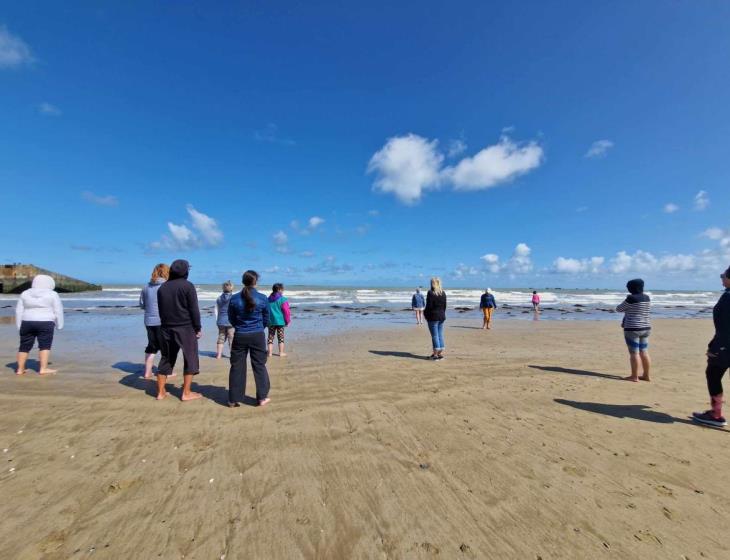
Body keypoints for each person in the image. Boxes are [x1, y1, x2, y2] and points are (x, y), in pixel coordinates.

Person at [155, 259, 202, 401]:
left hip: (166, 327)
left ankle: (160, 392)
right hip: (185, 327)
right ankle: (186, 393)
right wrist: (197, 327)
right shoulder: (188, 286)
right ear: (185, 272)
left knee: (166, 359)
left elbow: (161, 309)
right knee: (190, 358)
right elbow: (194, 309)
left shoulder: (162, 288)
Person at [692, 266, 730, 427]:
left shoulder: (728, 298)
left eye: (723, 275)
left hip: (725, 346)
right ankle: (715, 412)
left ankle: (716, 414)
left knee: (713, 374)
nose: (721, 278)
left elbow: (725, 326)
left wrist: (716, 347)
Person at [227, 270, 271, 407]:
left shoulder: (234, 298)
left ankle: (234, 399)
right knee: (259, 365)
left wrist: (240, 327)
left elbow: (231, 318)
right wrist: (259, 328)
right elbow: (266, 318)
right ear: (255, 281)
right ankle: (262, 397)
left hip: (240, 334)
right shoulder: (262, 298)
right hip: (257, 335)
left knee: (237, 366)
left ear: (243, 281)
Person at [15, 274, 64, 375]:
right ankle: (43, 369)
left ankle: (20, 369)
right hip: (46, 322)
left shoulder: (25, 293)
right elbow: (58, 310)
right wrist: (59, 324)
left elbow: (19, 310)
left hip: (27, 321)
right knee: (44, 345)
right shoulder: (52, 294)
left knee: (24, 346)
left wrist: (19, 325)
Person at [616, 278, 651, 382]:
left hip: (633, 329)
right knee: (644, 352)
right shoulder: (647, 297)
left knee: (634, 353)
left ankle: (634, 376)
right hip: (646, 327)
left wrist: (627, 299)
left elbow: (619, 309)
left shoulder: (631, 298)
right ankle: (646, 375)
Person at [139, 263, 169, 379]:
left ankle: (147, 372)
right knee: (165, 348)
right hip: (163, 321)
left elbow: (142, 305)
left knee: (151, 346)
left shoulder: (146, 287)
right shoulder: (167, 286)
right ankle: (166, 372)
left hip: (148, 320)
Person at [424, 277, 447, 360]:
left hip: (433, 317)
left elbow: (428, 306)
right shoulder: (443, 293)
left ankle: (435, 355)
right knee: (439, 334)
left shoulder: (431, 293)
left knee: (435, 335)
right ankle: (439, 353)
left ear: (432, 284)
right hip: (441, 316)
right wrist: (443, 314)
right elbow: (444, 306)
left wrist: (425, 315)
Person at [267, 283, 291, 357]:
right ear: (279, 290)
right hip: (280, 322)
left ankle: (270, 353)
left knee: (270, 337)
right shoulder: (283, 299)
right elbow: (286, 311)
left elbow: (266, 310)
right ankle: (281, 352)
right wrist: (287, 321)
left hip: (271, 321)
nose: (283, 291)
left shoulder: (268, 299)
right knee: (281, 337)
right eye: (282, 289)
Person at [214, 280, 235, 360]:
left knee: (221, 337)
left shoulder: (219, 298)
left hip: (221, 321)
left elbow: (216, 310)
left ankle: (218, 355)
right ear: (231, 288)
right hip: (230, 321)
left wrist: (217, 320)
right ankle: (232, 355)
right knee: (231, 338)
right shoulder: (233, 298)